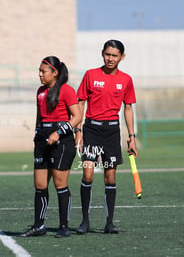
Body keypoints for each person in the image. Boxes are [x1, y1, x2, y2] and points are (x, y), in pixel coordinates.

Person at [74, 39, 137, 234]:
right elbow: (80, 103)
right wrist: (78, 130)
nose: (110, 58)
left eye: (114, 55)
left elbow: (128, 108)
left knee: (110, 177)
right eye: (107, 54)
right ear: (102, 53)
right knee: (88, 174)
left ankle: (109, 223)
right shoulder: (90, 75)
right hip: (91, 130)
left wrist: (132, 136)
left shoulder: (126, 79)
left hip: (111, 132)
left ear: (122, 57)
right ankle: (85, 221)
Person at [19, 56, 82, 238]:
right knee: (39, 185)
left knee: (60, 184)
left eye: (43, 71)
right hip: (42, 139)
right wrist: (37, 133)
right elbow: (40, 116)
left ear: (55, 73)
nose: (40, 74)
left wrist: (59, 132)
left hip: (61, 140)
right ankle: (39, 226)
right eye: (39, 71)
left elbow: (77, 116)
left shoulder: (66, 90)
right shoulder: (40, 91)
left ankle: (64, 226)